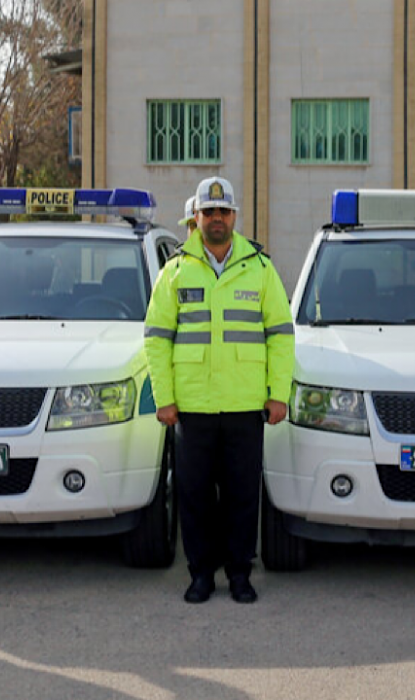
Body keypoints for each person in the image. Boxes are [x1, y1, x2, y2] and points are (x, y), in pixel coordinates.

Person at [144, 176, 294, 604]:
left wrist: (278, 393)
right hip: (192, 407)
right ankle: (200, 575)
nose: (216, 220)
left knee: (243, 496)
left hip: (246, 406)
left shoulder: (260, 269)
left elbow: (281, 334)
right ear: (197, 217)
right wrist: (165, 398)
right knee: (194, 496)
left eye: (223, 212)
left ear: (234, 217)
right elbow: (156, 337)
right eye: (208, 213)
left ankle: (241, 574)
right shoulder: (175, 270)